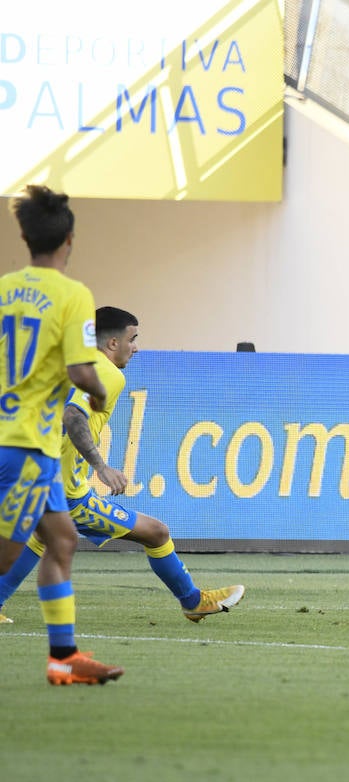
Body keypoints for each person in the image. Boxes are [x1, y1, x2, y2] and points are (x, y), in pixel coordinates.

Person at [0, 307, 245, 623]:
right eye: (133, 339)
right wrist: (101, 466)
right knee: (156, 533)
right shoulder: (105, 372)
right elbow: (73, 416)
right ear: (113, 343)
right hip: (63, 491)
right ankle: (194, 601)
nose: (137, 347)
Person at [0, 185, 117, 685]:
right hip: (25, 443)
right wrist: (97, 398)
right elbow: (81, 369)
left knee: (63, 540)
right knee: (5, 554)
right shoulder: (74, 295)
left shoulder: (5, 288)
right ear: (69, 239)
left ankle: (62, 657)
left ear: (25, 236)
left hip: (32, 442)